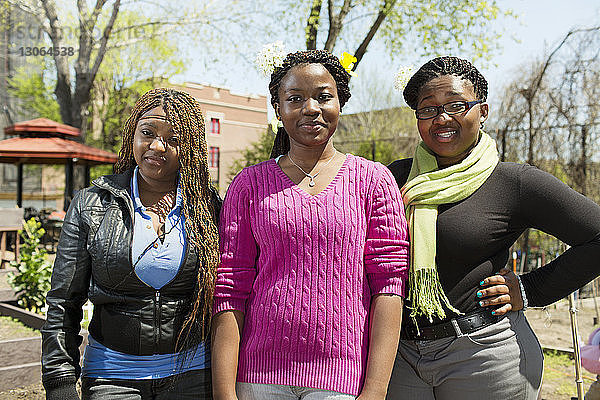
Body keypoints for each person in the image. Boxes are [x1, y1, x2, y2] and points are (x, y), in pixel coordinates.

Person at [386, 56, 600, 399]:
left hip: (483, 355)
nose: (442, 118)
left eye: (457, 105)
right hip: (399, 356)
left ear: (482, 111)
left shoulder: (513, 182)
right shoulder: (394, 177)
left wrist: (532, 289)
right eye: (428, 109)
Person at [211, 49, 410, 400]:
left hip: (342, 381)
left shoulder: (374, 181)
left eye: (323, 96)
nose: (311, 108)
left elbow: (389, 287)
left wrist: (375, 390)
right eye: (295, 98)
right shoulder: (249, 185)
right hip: (258, 378)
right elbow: (230, 289)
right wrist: (225, 393)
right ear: (278, 109)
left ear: (340, 103)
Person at [41, 88, 220, 400]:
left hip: (192, 377)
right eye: (147, 133)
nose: (157, 146)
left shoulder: (209, 207)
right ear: (132, 136)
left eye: (174, 138)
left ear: (190, 147)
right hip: (112, 378)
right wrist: (60, 381)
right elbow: (63, 301)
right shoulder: (91, 204)